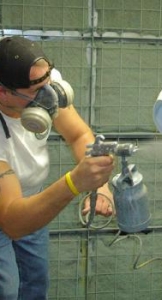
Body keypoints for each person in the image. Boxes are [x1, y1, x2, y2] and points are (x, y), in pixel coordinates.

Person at [0, 36, 115, 299]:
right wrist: (75, 182)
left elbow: (79, 136)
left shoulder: (39, 80)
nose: (49, 96)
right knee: (6, 290)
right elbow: (13, 222)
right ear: (3, 92)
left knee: (35, 283)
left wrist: (102, 185)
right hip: (7, 209)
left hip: (32, 196)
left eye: (48, 83)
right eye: (35, 92)